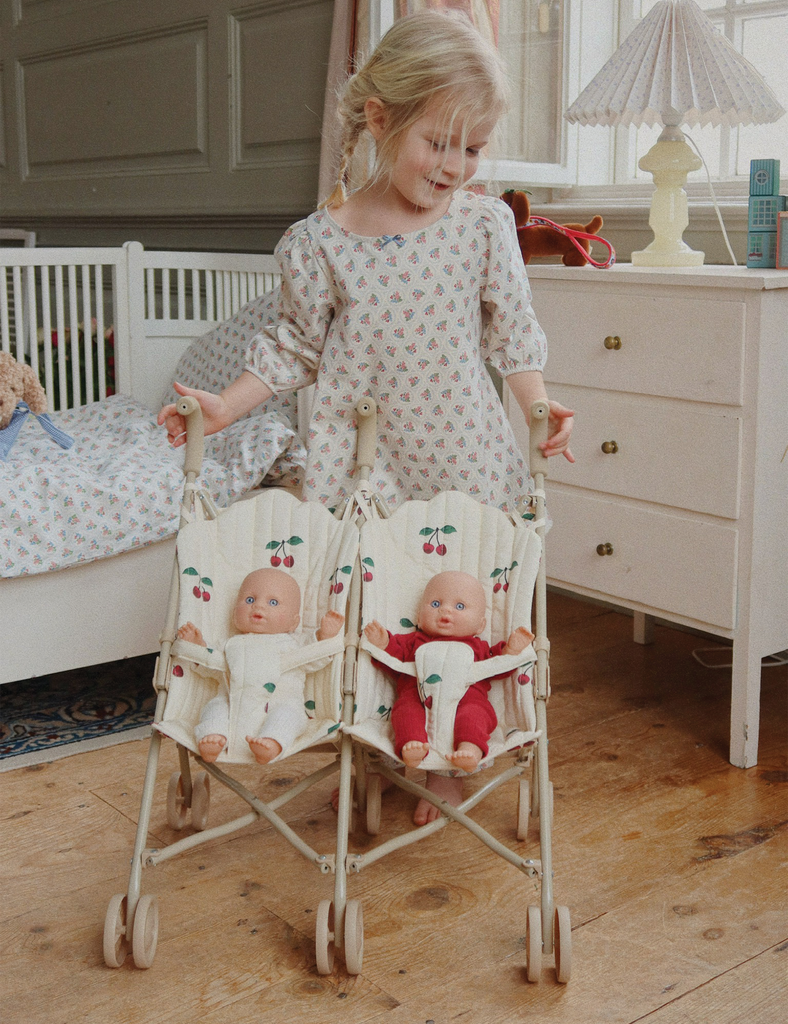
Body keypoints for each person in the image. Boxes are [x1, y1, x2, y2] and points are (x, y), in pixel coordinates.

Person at [159, 10, 573, 821]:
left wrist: (538, 407)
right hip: (362, 465)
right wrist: (225, 405)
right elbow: (289, 353)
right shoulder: (319, 243)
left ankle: (452, 747)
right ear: (381, 119)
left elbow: (513, 338)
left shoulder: (484, 227)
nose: (456, 167)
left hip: (466, 460)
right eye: (439, 143)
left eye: (474, 148)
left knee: (457, 614)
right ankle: (384, 746)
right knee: (374, 617)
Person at [364, 570, 533, 772]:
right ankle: (411, 743)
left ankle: (470, 748)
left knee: (475, 714)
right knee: (405, 711)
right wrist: (383, 642)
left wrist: (511, 650)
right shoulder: (414, 641)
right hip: (418, 697)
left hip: (467, 699)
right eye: (435, 604)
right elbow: (393, 654)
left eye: (459, 606)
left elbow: (499, 665)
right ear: (419, 617)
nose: (445, 611)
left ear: (480, 625)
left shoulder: (478, 648)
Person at [177, 567, 343, 764]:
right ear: (233, 615)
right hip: (232, 705)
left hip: (278, 703)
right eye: (249, 600)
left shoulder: (293, 643)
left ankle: (272, 742)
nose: (258, 607)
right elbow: (210, 668)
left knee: (288, 716)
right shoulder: (230, 643)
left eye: (273, 603)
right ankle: (212, 737)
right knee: (215, 708)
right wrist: (198, 646)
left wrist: (324, 636)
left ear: (293, 623)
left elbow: (315, 660)